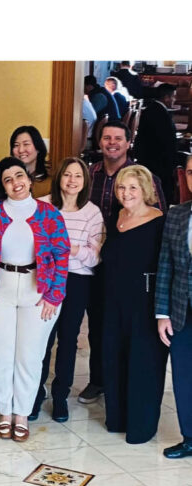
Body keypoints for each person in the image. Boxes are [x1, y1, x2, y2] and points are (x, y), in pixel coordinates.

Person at [0, 157, 69, 442]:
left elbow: (62, 255)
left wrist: (54, 295)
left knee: (30, 356)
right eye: (8, 179)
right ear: (2, 185)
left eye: (19, 175)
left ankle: (22, 413)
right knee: (0, 355)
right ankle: (4, 412)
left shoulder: (49, 214)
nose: (16, 182)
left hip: (38, 292)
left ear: (29, 178)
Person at [79, 121, 166, 404]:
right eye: (106, 138)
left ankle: (126, 384)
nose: (112, 143)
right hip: (97, 261)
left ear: (128, 143)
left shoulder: (146, 178)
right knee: (100, 324)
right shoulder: (89, 174)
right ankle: (99, 379)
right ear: (99, 142)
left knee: (131, 329)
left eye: (118, 138)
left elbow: (158, 220)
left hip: (133, 266)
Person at [30, 158, 104, 422]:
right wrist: (67, 248)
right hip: (46, 279)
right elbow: (34, 246)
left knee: (68, 341)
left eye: (78, 176)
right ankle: (35, 395)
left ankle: (60, 397)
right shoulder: (43, 206)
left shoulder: (92, 212)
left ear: (85, 182)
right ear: (59, 177)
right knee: (42, 340)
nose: (72, 181)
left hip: (77, 281)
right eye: (67, 175)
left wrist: (66, 247)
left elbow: (94, 258)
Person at [101, 165, 168, 444]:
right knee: (114, 357)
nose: (126, 193)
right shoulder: (114, 218)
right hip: (112, 300)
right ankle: (117, 418)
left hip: (145, 301)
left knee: (144, 363)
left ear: (145, 191)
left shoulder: (161, 221)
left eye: (132, 188)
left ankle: (140, 426)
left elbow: (168, 266)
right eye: (121, 187)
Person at [155, 155, 192, 458]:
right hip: (182, 310)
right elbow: (165, 265)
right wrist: (162, 312)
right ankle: (189, 437)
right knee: (183, 376)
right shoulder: (177, 214)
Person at [134, 83, 179, 205]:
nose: (174, 100)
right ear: (166, 97)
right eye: (173, 97)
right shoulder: (157, 112)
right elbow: (165, 142)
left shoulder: (155, 109)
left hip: (154, 159)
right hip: (157, 163)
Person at [10, 125, 50, 196]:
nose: (21, 150)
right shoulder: (7, 177)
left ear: (38, 148)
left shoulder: (51, 179)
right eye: (16, 145)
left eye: (26, 144)